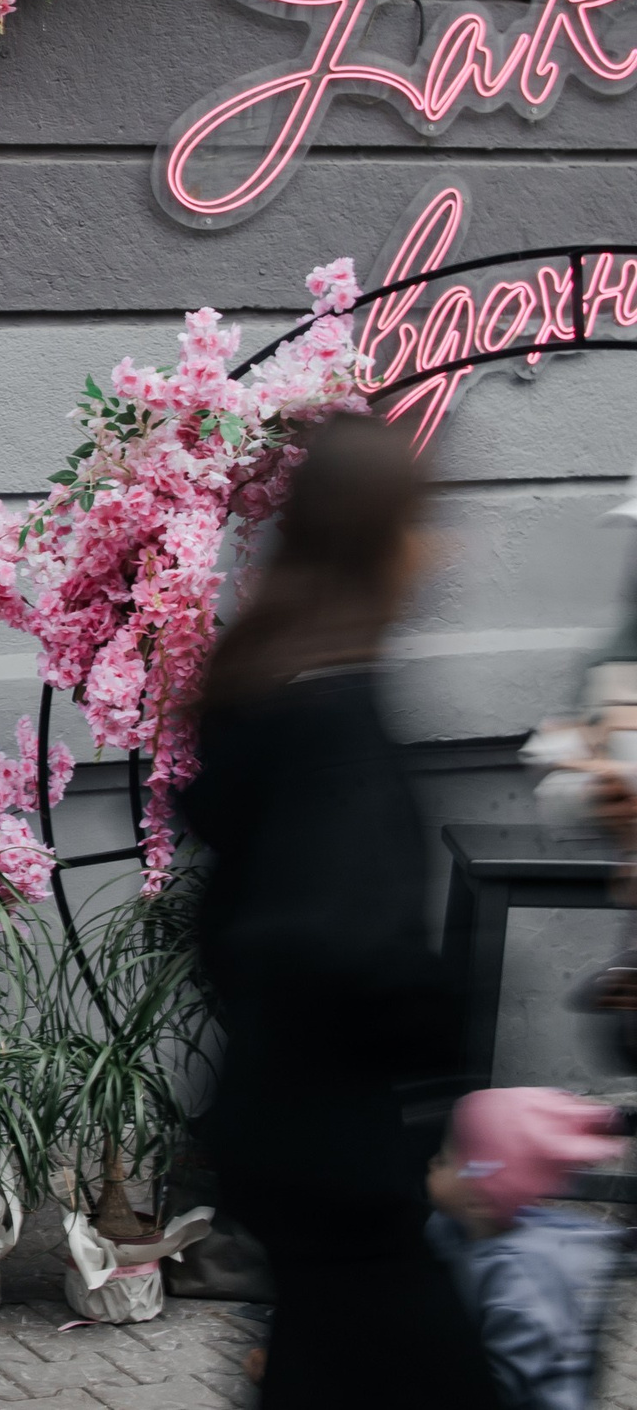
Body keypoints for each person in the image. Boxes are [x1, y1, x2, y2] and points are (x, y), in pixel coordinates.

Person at [179, 412, 503, 1410]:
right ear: (382, 541)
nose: (435, 547)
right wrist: (445, 1068)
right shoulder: (335, 711)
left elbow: (218, 923)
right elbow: (334, 938)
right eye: (421, 522)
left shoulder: (262, 685)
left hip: (279, 1130)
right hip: (344, 1154)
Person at [428, 1088, 624, 1410]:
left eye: (446, 1159)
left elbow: (509, 1387)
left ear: (478, 1200)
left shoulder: (522, 1285)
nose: (432, 1162)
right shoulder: (452, 1226)